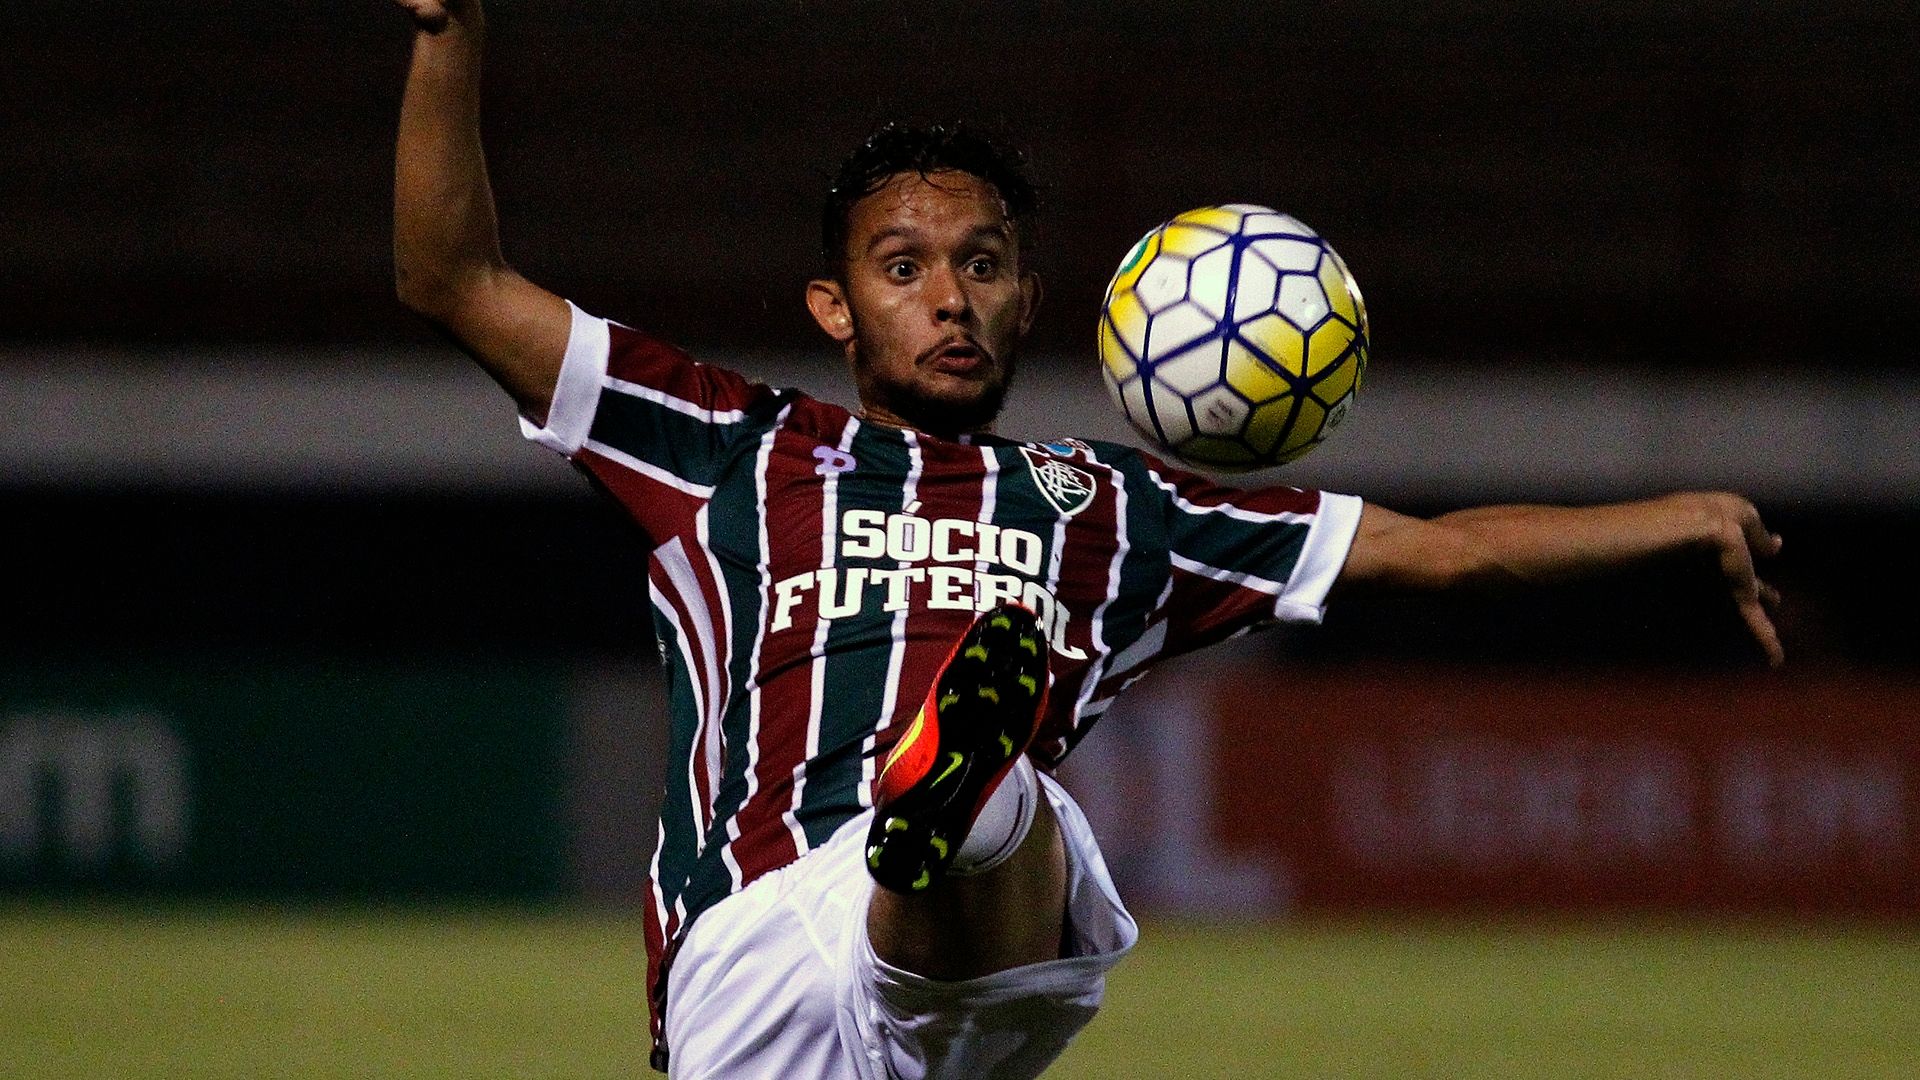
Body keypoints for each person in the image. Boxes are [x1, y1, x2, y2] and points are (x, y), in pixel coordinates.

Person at [390, 2, 1784, 1075]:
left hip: (953, 972)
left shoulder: (1116, 506)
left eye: (982, 265)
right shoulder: (727, 446)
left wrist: (1680, 515)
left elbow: (1445, 554)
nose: (949, 297)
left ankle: (959, 804)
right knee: (1015, 821)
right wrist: (454, 39)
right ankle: (960, 804)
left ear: (1031, 301)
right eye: (905, 266)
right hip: (757, 954)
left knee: (1021, 825)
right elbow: (451, 279)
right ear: (834, 307)